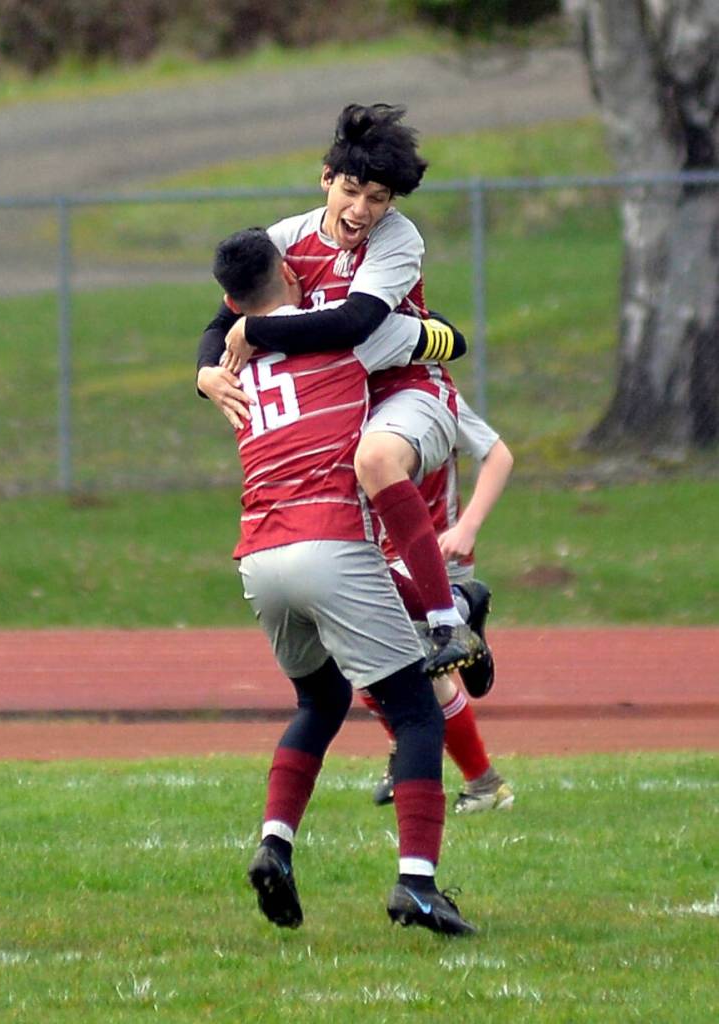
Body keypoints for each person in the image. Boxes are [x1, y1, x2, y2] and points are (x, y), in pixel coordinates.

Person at [211, 226, 477, 936]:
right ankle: (417, 885)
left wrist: (218, 349)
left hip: (258, 557)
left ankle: (275, 845)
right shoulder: (346, 336)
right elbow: (447, 341)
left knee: (320, 699)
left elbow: (228, 339)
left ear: (231, 302)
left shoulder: (231, 367)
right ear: (292, 281)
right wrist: (423, 327)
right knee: (418, 711)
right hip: (327, 537)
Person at [196, 103, 475, 679]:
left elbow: (354, 325)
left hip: (408, 393)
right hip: (341, 406)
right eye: (352, 191)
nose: (362, 210)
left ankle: (448, 622)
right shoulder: (288, 238)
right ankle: (460, 614)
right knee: (340, 567)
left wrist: (259, 329)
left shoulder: (396, 239)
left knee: (373, 459)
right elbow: (221, 320)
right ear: (327, 178)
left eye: (379, 198)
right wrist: (204, 372)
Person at [364, 395, 516, 812]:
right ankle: (410, 748)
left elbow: (498, 455)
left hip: (435, 558)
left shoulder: (430, 394)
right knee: (362, 660)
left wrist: (467, 527)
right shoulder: (348, 388)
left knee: (412, 670)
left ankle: (483, 783)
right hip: (381, 556)